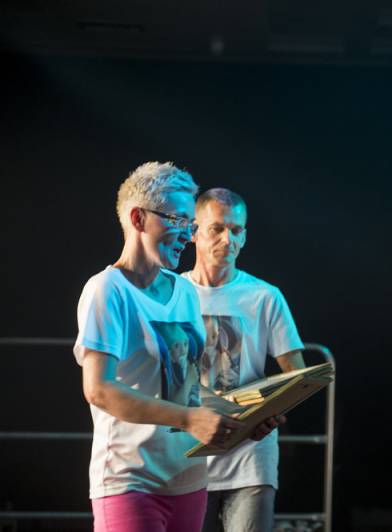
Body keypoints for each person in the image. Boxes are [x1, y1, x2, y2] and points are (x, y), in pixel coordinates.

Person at [75, 162, 279, 532]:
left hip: (189, 481)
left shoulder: (184, 292)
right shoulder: (107, 289)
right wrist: (188, 419)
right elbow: (99, 390)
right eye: (177, 220)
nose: (188, 233)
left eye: (190, 223)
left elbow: (184, 389)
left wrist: (244, 419)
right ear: (138, 218)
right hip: (130, 481)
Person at [183, 188, 306, 532]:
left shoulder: (265, 296)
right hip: (188, 458)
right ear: (193, 231)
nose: (228, 239)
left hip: (251, 458)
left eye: (236, 230)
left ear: (245, 235)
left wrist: (271, 413)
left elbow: (295, 374)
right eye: (217, 228)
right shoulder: (175, 293)